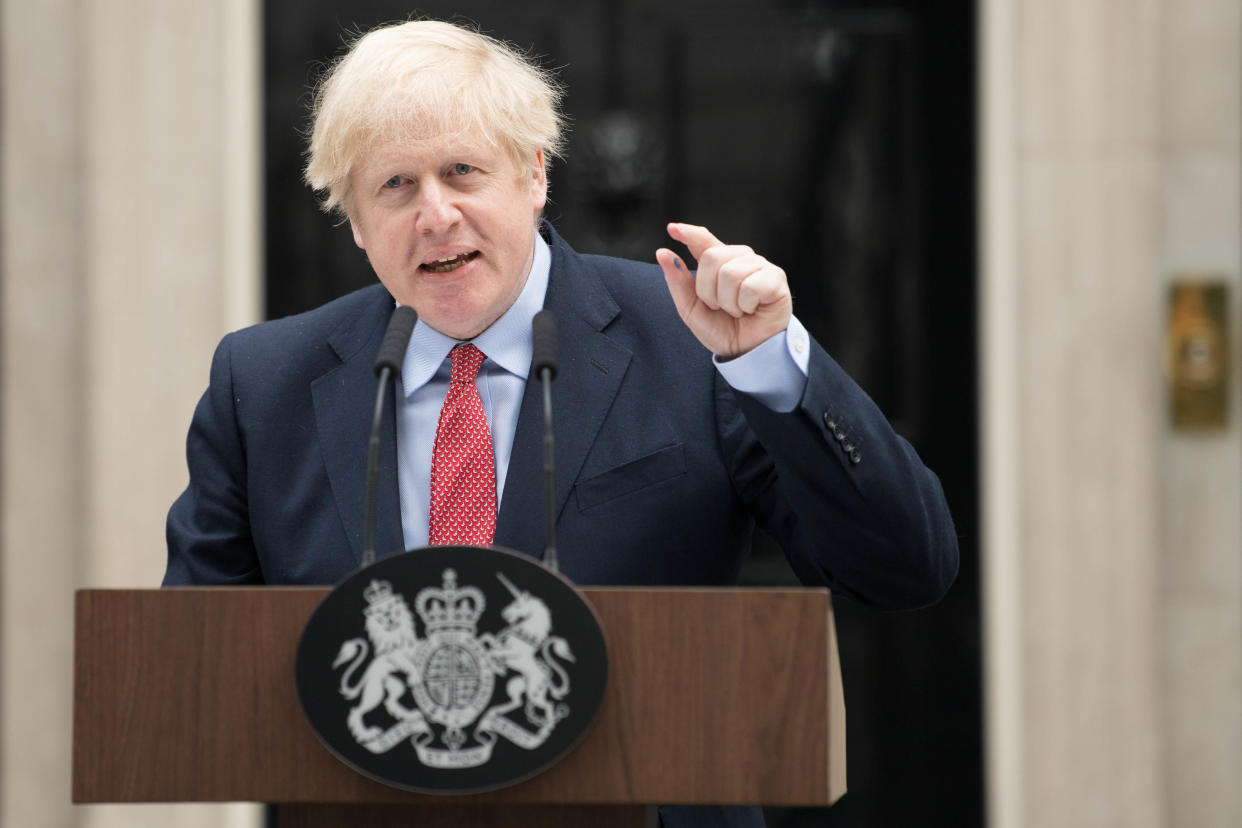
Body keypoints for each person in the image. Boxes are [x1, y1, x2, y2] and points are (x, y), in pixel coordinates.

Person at [164, 19, 958, 828]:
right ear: (358, 223)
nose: (434, 214)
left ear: (535, 174)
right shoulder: (263, 384)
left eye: (461, 171)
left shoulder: (690, 342)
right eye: (395, 186)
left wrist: (769, 369)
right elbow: (189, 688)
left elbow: (904, 568)